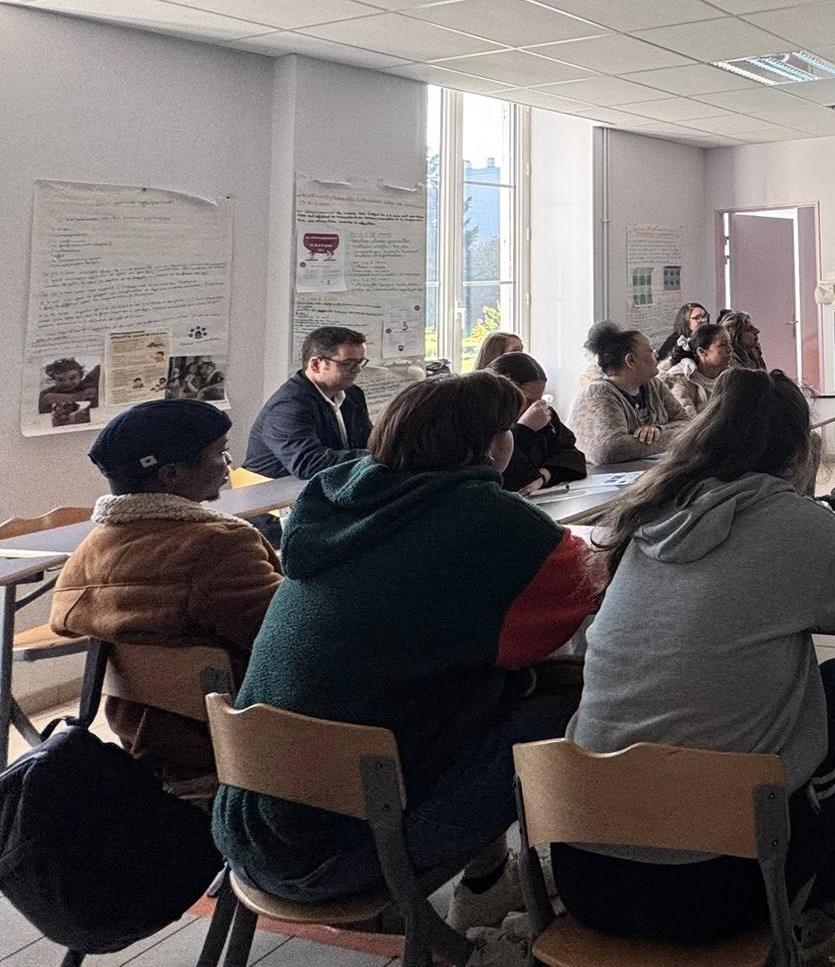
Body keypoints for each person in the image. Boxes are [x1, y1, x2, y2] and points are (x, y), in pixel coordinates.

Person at [213, 373, 602, 927]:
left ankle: (489, 880)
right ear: (492, 444)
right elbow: (591, 589)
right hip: (345, 849)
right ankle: (591, 878)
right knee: (574, 699)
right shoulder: (489, 520)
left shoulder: (333, 502)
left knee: (480, 686)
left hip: (247, 829)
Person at [558, 367, 835, 951]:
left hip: (583, 872)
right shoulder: (804, 525)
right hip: (720, 887)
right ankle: (822, 909)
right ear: (798, 452)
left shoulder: (645, 514)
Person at [49, 400, 282, 794]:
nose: (228, 465)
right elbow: (288, 636)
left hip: (145, 747)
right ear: (172, 473)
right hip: (239, 748)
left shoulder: (91, 550)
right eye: (220, 453)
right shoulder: (217, 546)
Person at [242, 326, 372, 478]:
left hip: (327, 481)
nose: (358, 370)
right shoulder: (288, 406)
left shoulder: (353, 394)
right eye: (348, 363)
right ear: (316, 364)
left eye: (360, 362)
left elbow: (369, 440)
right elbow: (309, 464)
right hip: (271, 488)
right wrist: (376, 455)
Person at [570, 321, 691, 466]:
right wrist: (667, 437)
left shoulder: (654, 384)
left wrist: (658, 430)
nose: (657, 355)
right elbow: (609, 450)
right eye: (651, 351)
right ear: (631, 360)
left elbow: (688, 425)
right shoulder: (599, 393)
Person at [487, 352, 587, 493]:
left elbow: (574, 458)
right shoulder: (486, 421)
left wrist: (543, 476)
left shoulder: (543, 415)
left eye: (538, 399)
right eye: (528, 400)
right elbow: (500, 470)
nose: (534, 407)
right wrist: (524, 430)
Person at [664, 323, 731, 416]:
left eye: (730, 344)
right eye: (723, 345)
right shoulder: (680, 379)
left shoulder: (729, 375)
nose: (730, 349)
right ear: (702, 352)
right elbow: (685, 419)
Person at [652, 303, 711, 372]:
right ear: (686, 321)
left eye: (705, 316)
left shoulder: (710, 337)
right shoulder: (674, 341)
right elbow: (661, 369)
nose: (704, 320)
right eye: (697, 317)